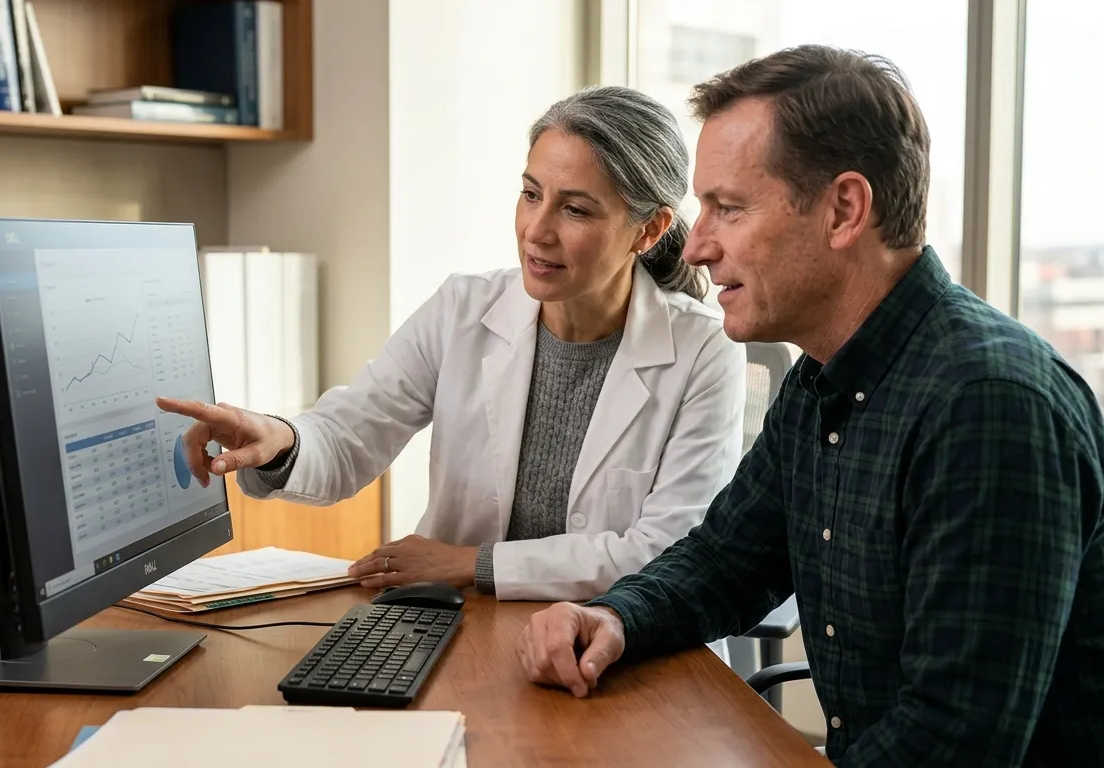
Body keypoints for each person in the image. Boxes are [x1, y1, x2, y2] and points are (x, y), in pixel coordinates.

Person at [516, 45, 1104, 765]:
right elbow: (728, 561)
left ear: (844, 209)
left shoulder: (990, 406)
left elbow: (954, 743)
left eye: (729, 208)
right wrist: (615, 617)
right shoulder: (820, 380)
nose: (699, 247)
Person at [158, 85, 746, 602]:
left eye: (575, 209)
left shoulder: (704, 351)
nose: (536, 231)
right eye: (531, 194)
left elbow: (667, 551)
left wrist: (473, 564)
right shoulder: (465, 309)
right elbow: (352, 433)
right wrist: (281, 440)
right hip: (467, 630)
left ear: (649, 229)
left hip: (623, 647)